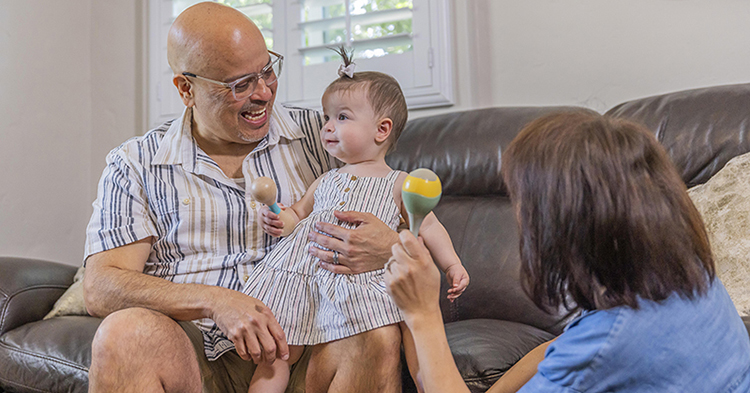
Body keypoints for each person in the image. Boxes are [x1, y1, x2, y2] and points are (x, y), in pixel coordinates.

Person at [82, 3, 403, 392]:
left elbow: (402, 212)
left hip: (303, 346)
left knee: (377, 336)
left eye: (267, 70)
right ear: (187, 89)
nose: (264, 92)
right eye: (240, 84)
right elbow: (101, 287)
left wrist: (391, 246)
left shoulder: (324, 137)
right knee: (124, 333)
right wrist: (215, 301)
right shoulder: (136, 163)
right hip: (192, 350)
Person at [384, 111, 750, 392]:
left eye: (524, 204)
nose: (518, 216)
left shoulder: (611, 343)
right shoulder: (693, 279)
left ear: (565, 223)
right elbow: (560, 346)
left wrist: (421, 312)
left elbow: (592, 350)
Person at [243, 48, 470, 393]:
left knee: (409, 333)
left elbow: (429, 225)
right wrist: (277, 217)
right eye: (327, 118)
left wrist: (452, 265)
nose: (328, 126)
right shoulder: (326, 180)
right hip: (305, 278)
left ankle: (433, 383)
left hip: (367, 278)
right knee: (277, 354)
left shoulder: (400, 183)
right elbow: (297, 217)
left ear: (382, 129)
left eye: (342, 117)